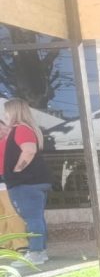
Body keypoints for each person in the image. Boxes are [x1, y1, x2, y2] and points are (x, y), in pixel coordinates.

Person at [3, 99, 52, 265]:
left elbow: (29, 150)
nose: (5, 115)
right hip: (34, 182)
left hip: (27, 183)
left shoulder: (21, 129)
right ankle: (40, 251)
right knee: (36, 218)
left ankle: (36, 253)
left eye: (7, 111)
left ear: (14, 112)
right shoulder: (24, 129)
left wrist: (17, 169)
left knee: (32, 218)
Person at [0, 120, 29, 252]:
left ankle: (20, 243)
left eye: (2, 127)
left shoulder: (10, 140)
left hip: (7, 180)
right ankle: (4, 244)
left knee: (12, 212)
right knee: (2, 215)